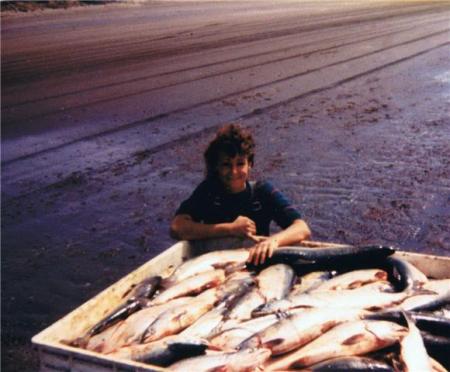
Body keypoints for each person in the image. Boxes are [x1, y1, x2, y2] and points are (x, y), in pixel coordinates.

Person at [170, 123, 311, 265]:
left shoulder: (262, 192)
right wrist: (230, 229)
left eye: (240, 163)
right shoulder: (208, 191)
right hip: (215, 262)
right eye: (226, 164)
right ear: (216, 167)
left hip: (254, 261)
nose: (234, 172)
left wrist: (273, 241)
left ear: (250, 164)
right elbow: (177, 227)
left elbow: (301, 228)